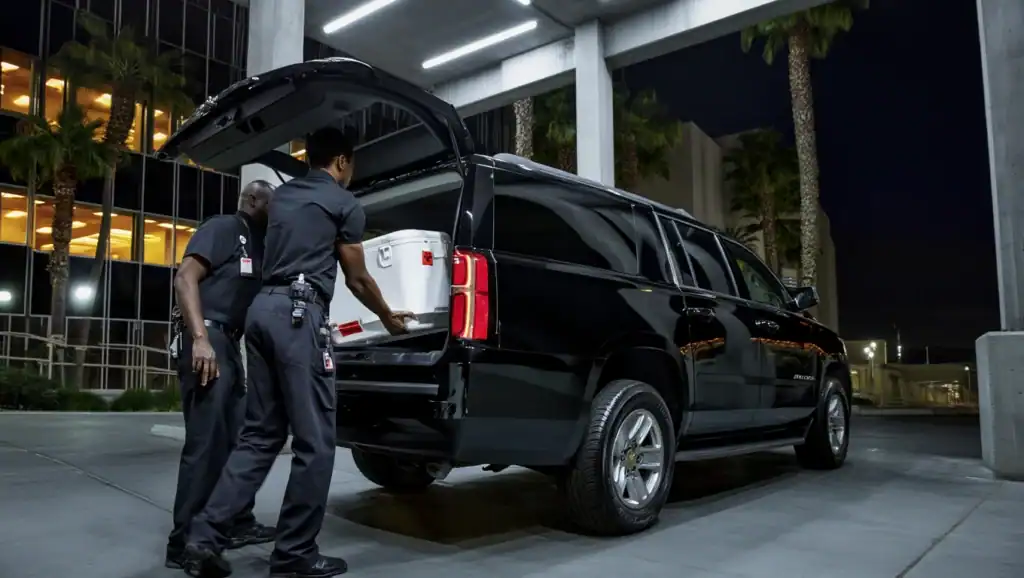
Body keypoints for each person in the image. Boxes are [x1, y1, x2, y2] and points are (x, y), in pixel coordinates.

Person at [182, 127, 414, 578]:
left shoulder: (282, 198)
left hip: (261, 312)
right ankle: (294, 555)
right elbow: (359, 278)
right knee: (316, 442)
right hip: (298, 317)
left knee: (259, 436)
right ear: (343, 162)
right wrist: (388, 318)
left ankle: (203, 536)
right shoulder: (344, 203)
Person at [166, 180, 277, 569]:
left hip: (230, 346)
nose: (275, 209)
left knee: (238, 441)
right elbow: (185, 277)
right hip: (207, 339)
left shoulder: (261, 244)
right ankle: (182, 543)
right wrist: (199, 339)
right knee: (206, 445)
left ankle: (237, 522)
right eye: (271, 202)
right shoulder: (224, 227)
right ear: (252, 200)